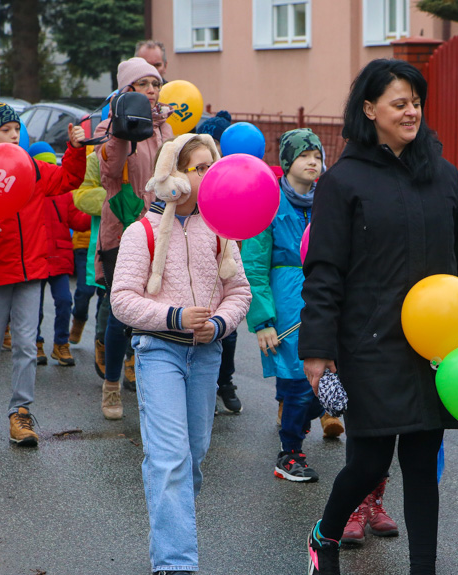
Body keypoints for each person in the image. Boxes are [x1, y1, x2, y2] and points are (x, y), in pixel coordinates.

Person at [300, 59, 458, 575]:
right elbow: (324, 271)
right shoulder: (343, 181)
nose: (411, 111)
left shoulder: (443, 174)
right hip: (370, 343)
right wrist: (318, 350)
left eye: (415, 102)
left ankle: (424, 568)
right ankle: (325, 535)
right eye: (398, 103)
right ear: (370, 110)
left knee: (421, 463)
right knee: (367, 461)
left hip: (437, 347)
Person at [110, 133, 251, 575]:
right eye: (199, 167)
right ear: (174, 175)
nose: (209, 175)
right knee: (169, 459)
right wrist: (174, 317)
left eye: (212, 166)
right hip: (159, 353)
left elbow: (239, 291)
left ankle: (172, 535)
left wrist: (220, 324)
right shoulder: (143, 232)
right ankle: (175, 565)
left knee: (192, 457)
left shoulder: (222, 231)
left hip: (206, 356)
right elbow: (122, 300)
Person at [0, 102, 86, 445]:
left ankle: (20, 414)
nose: (13, 135)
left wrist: (75, 148)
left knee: (26, 344)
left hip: (31, 272)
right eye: (4, 130)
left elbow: (70, 178)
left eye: (16, 129)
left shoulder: (35, 170)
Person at [243, 128, 342, 482]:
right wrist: (263, 320)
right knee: (298, 382)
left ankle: (293, 421)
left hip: (325, 299)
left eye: (317, 155)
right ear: (287, 163)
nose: (313, 161)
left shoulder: (329, 200)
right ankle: (290, 453)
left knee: (331, 380)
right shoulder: (269, 203)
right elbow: (253, 265)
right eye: (304, 155)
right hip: (285, 306)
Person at [94, 57, 174, 419]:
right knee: (120, 312)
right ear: (128, 90)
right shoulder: (112, 126)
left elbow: (175, 171)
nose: (152, 91)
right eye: (144, 85)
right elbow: (109, 173)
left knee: (156, 307)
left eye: (155, 84)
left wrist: (167, 131)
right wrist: (122, 130)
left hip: (160, 226)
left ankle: (150, 383)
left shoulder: (163, 127)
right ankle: (111, 386)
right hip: (123, 228)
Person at [28, 141, 91, 367]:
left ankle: (61, 344)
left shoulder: (64, 193)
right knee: (34, 305)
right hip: (36, 257)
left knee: (64, 301)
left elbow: (77, 219)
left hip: (60, 258)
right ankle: (34, 343)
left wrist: (96, 215)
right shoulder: (27, 192)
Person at [196, 110, 243, 414]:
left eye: (217, 143)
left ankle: (225, 381)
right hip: (198, 256)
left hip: (226, 252)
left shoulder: (232, 174)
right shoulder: (194, 175)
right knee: (201, 322)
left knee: (229, 329)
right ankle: (206, 386)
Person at [72, 150, 108, 375]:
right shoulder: (96, 158)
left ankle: (127, 357)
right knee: (86, 294)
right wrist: (120, 194)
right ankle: (81, 321)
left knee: (108, 301)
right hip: (92, 247)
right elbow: (79, 202)